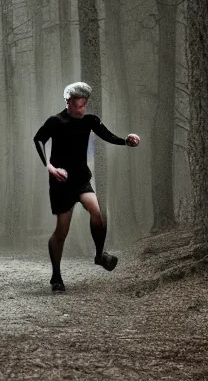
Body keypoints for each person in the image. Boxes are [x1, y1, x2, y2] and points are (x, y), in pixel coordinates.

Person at [33, 82, 140, 292]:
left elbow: (107, 135)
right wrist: (49, 166)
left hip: (81, 179)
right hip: (61, 182)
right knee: (61, 231)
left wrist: (126, 141)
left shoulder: (90, 121)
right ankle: (56, 276)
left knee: (97, 212)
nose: (80, 110)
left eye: (83, 106)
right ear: (68, 102)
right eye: (76, 106)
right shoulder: (56, 121)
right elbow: (39, 139)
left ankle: (100, 255)